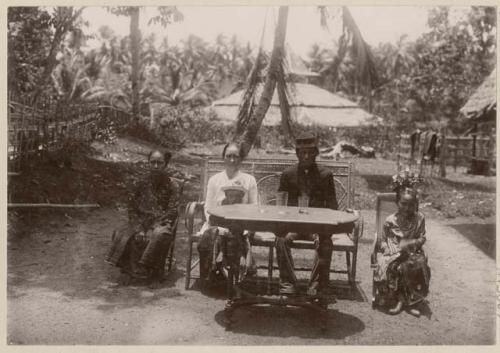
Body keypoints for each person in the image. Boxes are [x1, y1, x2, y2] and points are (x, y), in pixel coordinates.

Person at [275, 132, 338, 296]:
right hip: (293, 224)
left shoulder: (325, 175)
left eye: (310, 152)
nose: (306, 156)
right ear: (297, 154)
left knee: (326, 242)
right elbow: (280, 203)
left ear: (316, 153)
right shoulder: (288, 174)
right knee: (281, 239)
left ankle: (316, 286)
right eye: (302, 152)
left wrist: (326, 228)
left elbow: (332, 206)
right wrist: (282, 222)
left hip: (316, 226)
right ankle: (288, 283)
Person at [106, 149, 180, 289]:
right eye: (153, 162)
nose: (156, 166)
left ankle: (150, 270)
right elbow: (131, 207)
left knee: (159, 234)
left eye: (160, 163)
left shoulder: (172, 185)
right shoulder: (140, 183)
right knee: (121, 231)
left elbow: (173, 210)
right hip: (140, 221)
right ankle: (128, 270)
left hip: (161, 222)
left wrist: (154, 226)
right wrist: (139, 228)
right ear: (148, 163)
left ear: (166, 164)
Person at [197, 142, 258, 289]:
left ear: (241, 159)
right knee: (216, 234)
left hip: (242, 223)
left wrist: (247, 224)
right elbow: (208, 206)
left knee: (234, 234)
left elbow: (255, 206)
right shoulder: (214, 180)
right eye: (228, 156)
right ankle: (215, 275)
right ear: (223, 158)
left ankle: (232, 277)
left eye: (235, 156)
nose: (232, 160)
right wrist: (213, 222)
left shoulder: (249, 180)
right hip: (217, 222)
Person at [374, 186, 431, 316]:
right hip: (393, 252)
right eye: (403, 204)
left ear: (415, 205)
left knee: (414, 264)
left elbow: (422, 237)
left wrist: (414, 242)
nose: (406, 208)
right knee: (395, 266)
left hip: (412, 251)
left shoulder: (419, 219)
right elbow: (383, 240)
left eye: (411, 205)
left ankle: (411, 302)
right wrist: (387, 248)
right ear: (397, 203)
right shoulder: (390, 220)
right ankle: (398, 300)